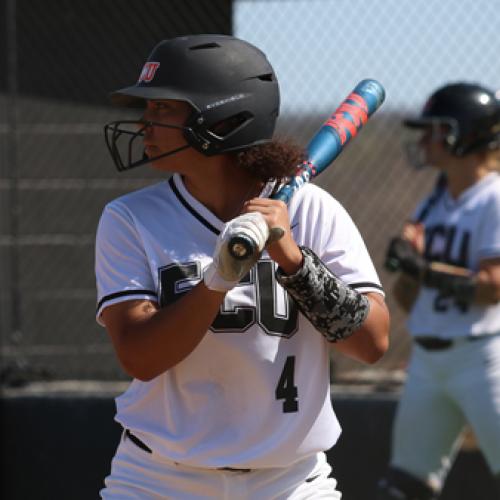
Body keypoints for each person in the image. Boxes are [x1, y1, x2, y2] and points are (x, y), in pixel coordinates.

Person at [96, 34, 390, 499]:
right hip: (158, 479)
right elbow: (140, 357)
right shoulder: (130, 219)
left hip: (291, 482)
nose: (144, 125)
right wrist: (220, 276)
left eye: (162, 110)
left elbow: (373, 342)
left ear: (224, 120)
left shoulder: (312, 211)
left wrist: (292, 260)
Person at [378, 82, 500, 499]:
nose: (426, 140)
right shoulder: (433, 202)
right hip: (428, 359)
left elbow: (493, 288)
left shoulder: (494, 198)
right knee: (404, 487)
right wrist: (409, 269)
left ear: (465, 135)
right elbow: (409, 300)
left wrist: (422, 268)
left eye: (435, 130)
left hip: (484, 356)